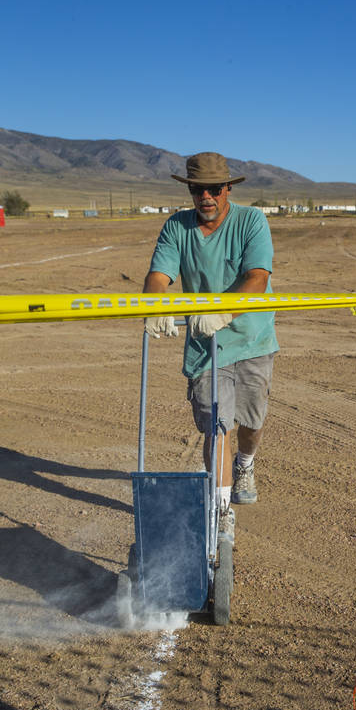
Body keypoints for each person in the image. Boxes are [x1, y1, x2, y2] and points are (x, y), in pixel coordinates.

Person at [143, 151, 278, 544]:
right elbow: (157, 276)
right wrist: (156, 306)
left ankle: (247, 463)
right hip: (206, 347)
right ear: (190, 191)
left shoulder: (251, 221)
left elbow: (257, 276)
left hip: (252, 338)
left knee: (251, 423)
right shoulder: (177, 227)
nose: (206, 197)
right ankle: (221, 512)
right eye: (198, 189)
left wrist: (222, 311)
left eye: (214, 189)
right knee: (218, 426)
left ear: (228, 189)